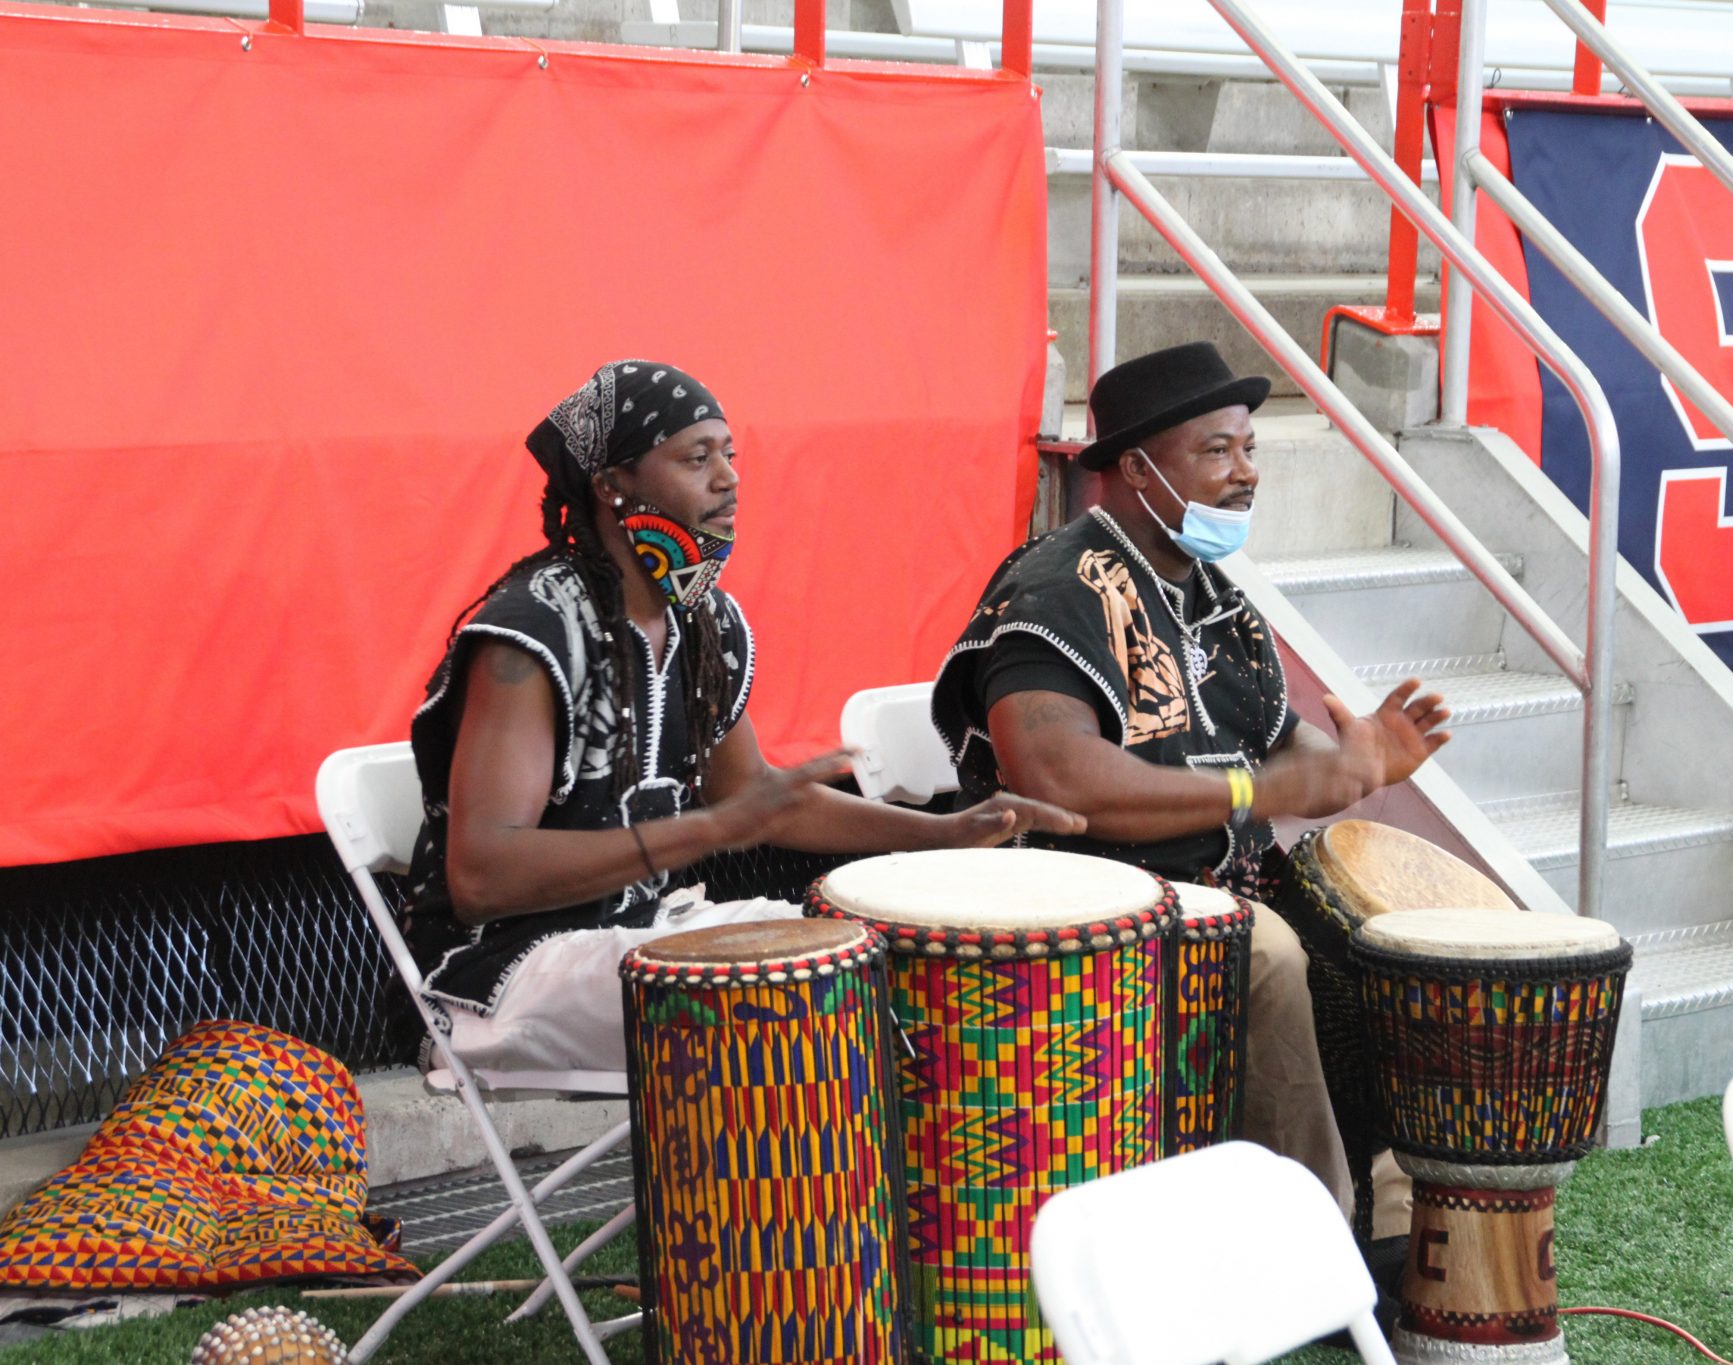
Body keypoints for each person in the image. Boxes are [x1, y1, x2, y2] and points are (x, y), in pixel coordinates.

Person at [401, 359, 1081, 1072]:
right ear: (612, 484)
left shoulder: (701, 622)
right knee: (803, 996)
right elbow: (482, 878)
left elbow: (756, 801)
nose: (728, 478)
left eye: (730, 454)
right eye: (697, 458)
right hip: (496, 976)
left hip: (639, 933)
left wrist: (943, 833)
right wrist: (703, 831)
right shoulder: (534, 633)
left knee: (889, 963)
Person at [931, 340, 1452, 1228]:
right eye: (1216, 451)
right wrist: (1257, 793)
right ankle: (1311, 1239)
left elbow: (1285, 771)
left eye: (1250, 448)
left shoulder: (1216, 599)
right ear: (1136, 467)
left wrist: (1355, 769)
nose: (1245, 472)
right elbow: (1059, 777)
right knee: (1275, 954)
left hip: (1219, 883)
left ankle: (1404, 1212)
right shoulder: (1055, 588)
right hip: (1083, 890)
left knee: (1402, 940)